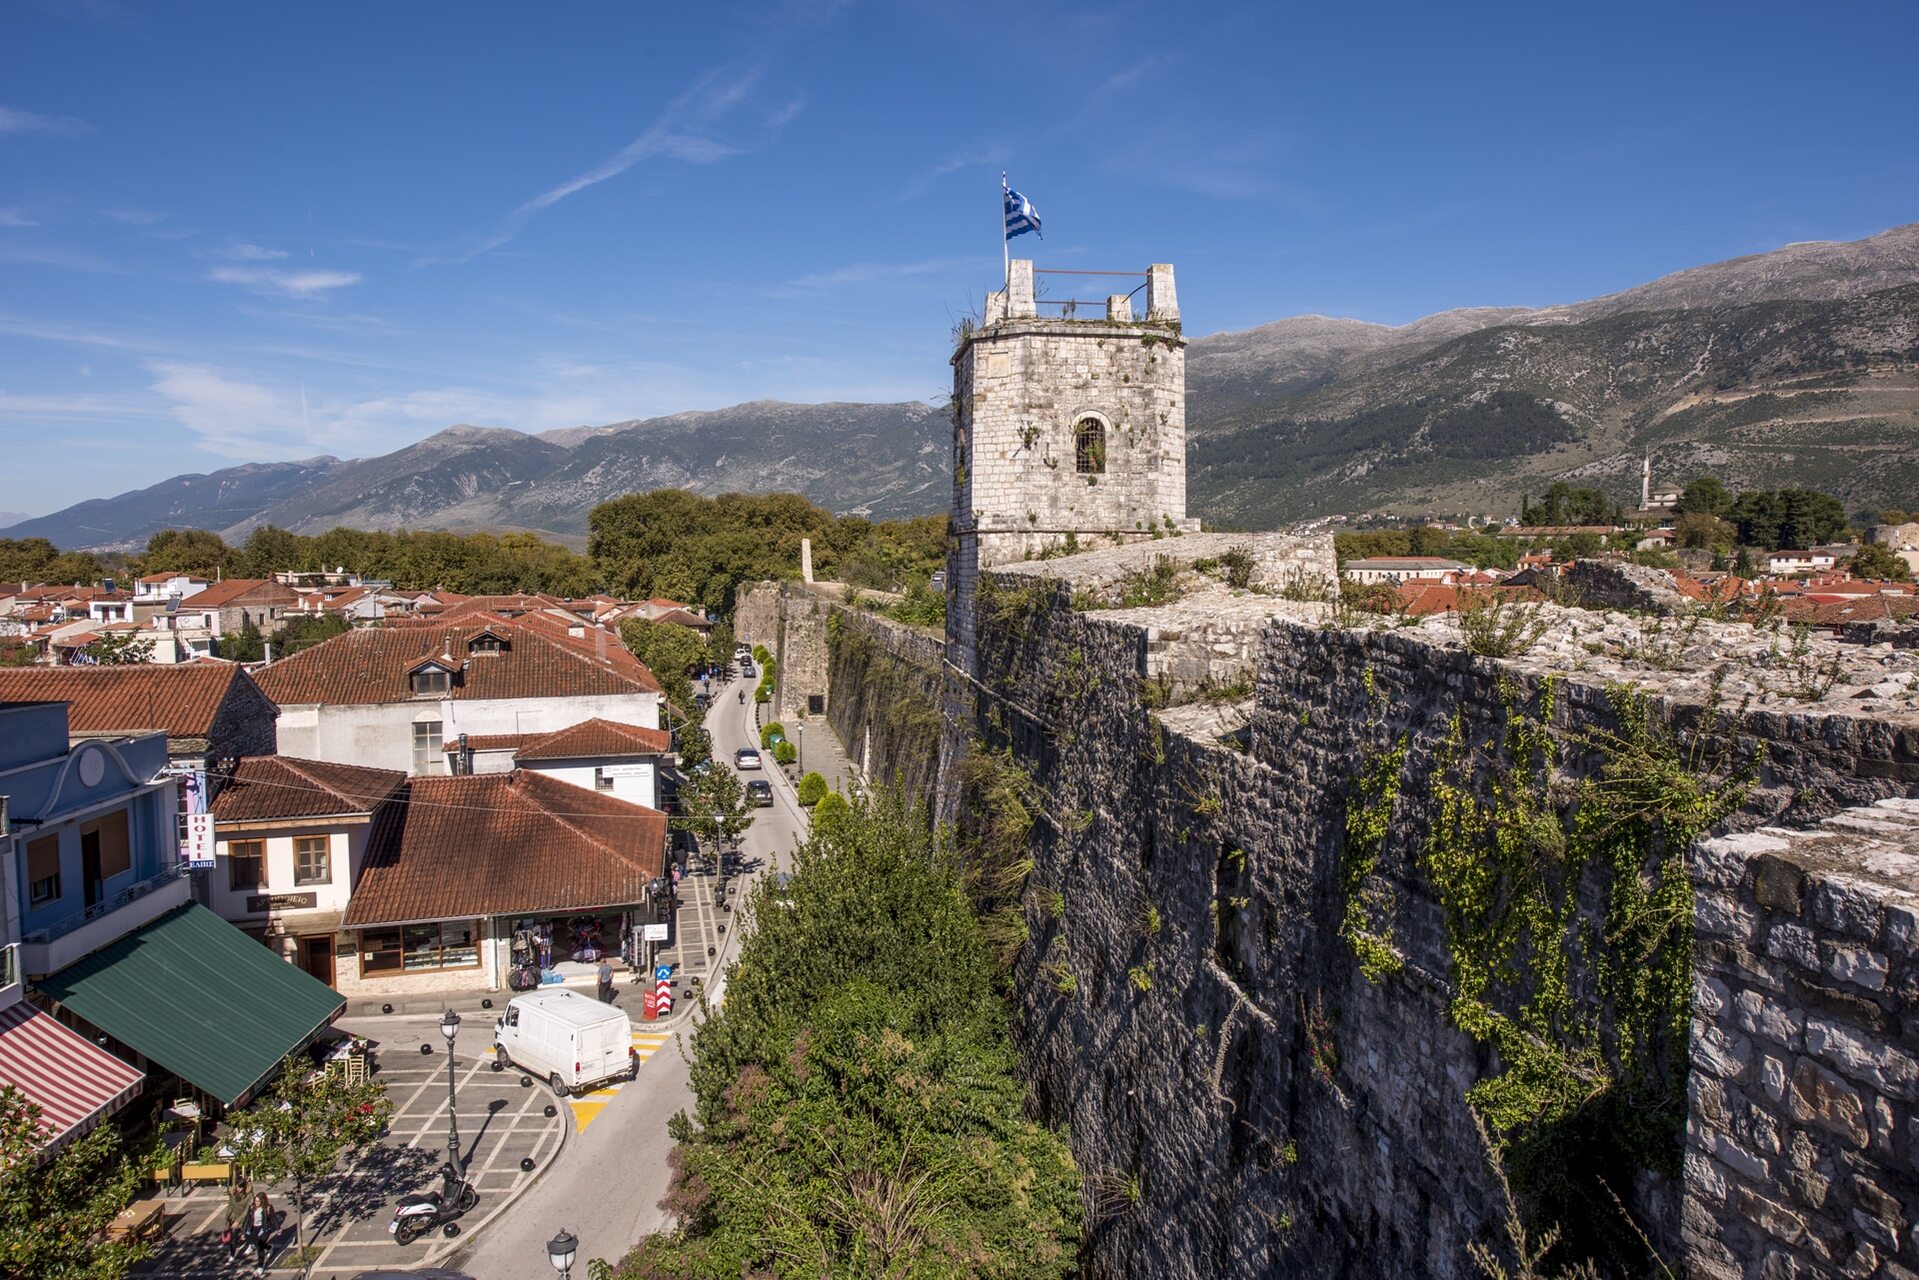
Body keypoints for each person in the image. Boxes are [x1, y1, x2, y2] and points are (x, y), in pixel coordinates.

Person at [224, 1177, 252, 1261]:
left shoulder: (249, 1195)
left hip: (244, 1218)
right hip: (234, 1217)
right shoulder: (233, 1194)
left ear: (244, 1187)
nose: (238, 1189)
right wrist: (227, 1218)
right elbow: (230, 1207)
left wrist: (238, 1221)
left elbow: (247, 1210)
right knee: (233, 1237)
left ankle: (250, 1245)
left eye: (240, 1187)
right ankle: (232, 1255)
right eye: (237, 1187)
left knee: (246, 1234)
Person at [247, 1191, 274, 1276]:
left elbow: (273, 1218)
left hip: (263, 1229)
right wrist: (245, 1232)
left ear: (262, 1201)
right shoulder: (252, 1207)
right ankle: (269, 1247)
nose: (256, 1203)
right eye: (255, 1201)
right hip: (254, 1229)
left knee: (260, 1248)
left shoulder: (267, 1208)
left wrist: (278, 1228)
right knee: (257, 1244)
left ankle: (260, 1266)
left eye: (258, 1201)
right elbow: (248, 1220)